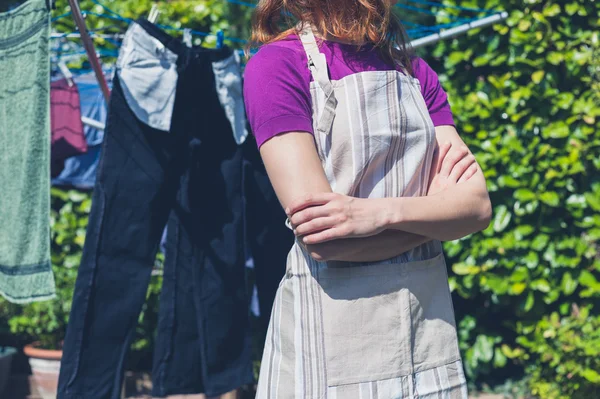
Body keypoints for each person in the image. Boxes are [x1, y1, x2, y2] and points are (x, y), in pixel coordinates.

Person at [243, 0, 492, 397]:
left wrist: (376, 215)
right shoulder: (275, 66)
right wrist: (435, 220)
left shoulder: (413, 72)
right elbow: (326, 239)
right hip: (329, 345)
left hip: (428, 337)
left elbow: (477, 206)